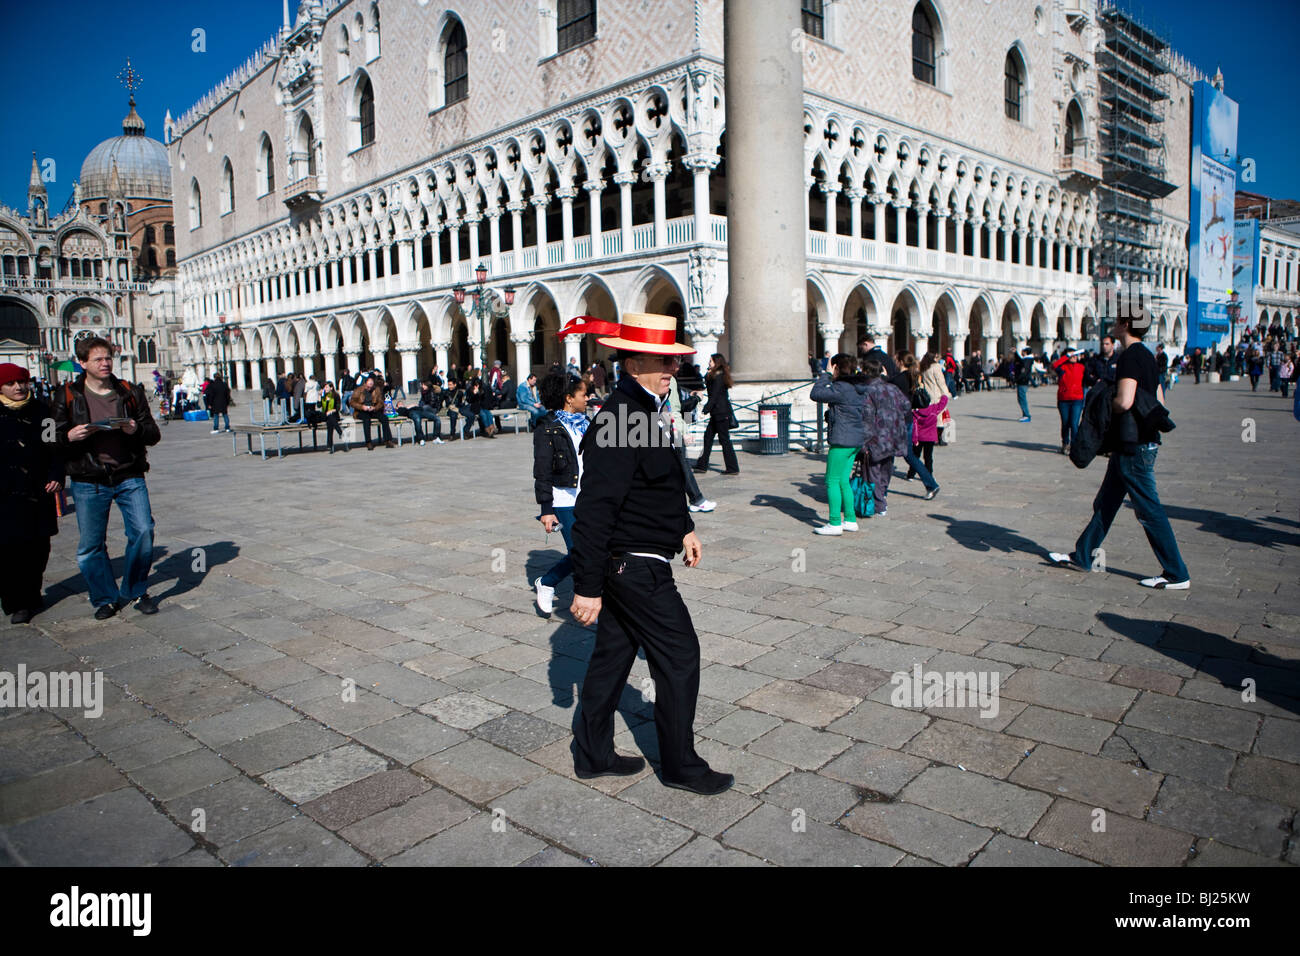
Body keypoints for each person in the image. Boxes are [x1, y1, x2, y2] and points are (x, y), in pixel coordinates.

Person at [567, 312, 733, 796]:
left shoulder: (642, 410)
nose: (672, 370)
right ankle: (680, 764)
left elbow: (656, 485)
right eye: (663, 361)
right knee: (680, 656)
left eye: (673, 361)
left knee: (612, 658)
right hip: (633, 565)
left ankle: (593, 754)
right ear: (633, 360)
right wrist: (587, 587)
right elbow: (595, 509)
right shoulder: (621, 417)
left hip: (639, 557)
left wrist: (684, 527)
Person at [1050, 314, 1188, 589]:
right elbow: (1160, 400)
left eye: (1117, 320)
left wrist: (1104, 404)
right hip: (1143, 442)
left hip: (1132, 445)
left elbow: (1124, 401)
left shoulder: (1129, 357)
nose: (1113, 324)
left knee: (1149, 510)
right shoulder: (1148, 356)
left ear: (1125, 325)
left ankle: (1176, 573)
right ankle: (1082, 556)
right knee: (1107, 503)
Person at [53, 336, 162, 619]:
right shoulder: (66, 394)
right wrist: (68, 436)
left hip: (129, 475)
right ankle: (105, 597)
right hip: (88, 479)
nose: (105, 363)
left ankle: (136, 591)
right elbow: (48, 436)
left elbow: (153, 434)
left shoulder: (129, 392)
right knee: (91, 545)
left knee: (143, 532)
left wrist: (135, 429)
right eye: (98, 359)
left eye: (108, 358)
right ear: (82, 363)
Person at [0, 364, 64, 623]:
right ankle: (16, 602)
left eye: (22, 382)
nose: (18, 387)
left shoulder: (42, 411)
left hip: (38, 490)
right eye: (11, 383)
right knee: (8, 549)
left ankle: (32, 591)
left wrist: (57, 475)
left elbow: (53, 447)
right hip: (4, 492)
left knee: (39, 546)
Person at [532, 374, 590, 614]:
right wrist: (546, 509)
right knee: (580, 552)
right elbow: (542, 470)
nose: (587, 398)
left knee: (594, 550)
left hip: (589, 496)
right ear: (568, 398)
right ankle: (547, 583)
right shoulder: (547, 427)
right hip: (564, 499)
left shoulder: (587, 423)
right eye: (583, 394)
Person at [810, 354, 869, 535]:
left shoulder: (841, 387)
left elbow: (816, 394)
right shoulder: (859, 387)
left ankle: (835, 522)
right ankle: (850, 520)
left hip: (842, 440)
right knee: (844, 481)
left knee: (832, 481)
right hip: (855, 440)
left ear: (836, 367)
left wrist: (825, 374)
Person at [860, 358, 912, 517]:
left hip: (876, 437)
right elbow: (906, 406)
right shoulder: (893, 388)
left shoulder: (868, 391)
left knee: (873, 470)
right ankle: (881, 496)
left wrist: (864, 442)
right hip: (894, 435)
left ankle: (879, 503)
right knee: (886, 468)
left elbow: (867, 418)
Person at [894, 353, 940, 498]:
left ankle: (931, 484)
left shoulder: (898, 379)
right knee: (909, 455)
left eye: (896, 359)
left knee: (892, 454)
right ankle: (931, 484)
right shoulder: (912, 376)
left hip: (898, 421)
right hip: (908, 419)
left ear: (901, 362)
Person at [693, 353, 739, 476]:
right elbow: (708, 385)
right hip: (717, 413)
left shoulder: (719, 377)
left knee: (724, 440)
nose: (709, 363)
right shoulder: (715, 375)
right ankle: (702, 465)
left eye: (711, 361)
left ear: (716, 363)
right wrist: (708, 373)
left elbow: (714, 397)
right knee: (708, 437)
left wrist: (705, 410)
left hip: (721, 413)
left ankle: (732, 467)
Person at [1052, 348, 1086, 455]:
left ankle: (1074, 445)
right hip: (1064, 400)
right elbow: (1054, 365)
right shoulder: (1062, 368)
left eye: (1075, 355)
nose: (1074, 357)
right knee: (1066, 423)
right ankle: (1065, 443)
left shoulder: (1081, 367)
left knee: (1074, 423)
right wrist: (1066, 356)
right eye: (1072, 355)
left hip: (1077, 399)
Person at [349, 373, 395, 449]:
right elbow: (352, 402)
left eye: (371, 384)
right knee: (366, 420)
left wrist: (375, 408)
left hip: (372, 409)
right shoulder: (359, 390)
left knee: (384, 418)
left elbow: (381, 402)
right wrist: (362, 407)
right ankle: (368, 442)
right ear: (365, 383)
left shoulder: (376, 390)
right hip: (361, 411)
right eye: (368, 384)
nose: (370, 385)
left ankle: (388, 440)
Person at [319, 381, 348, 453]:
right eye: (324, 387)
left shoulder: (335, 395)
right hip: (325, 415)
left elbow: (338, 407)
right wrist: (319, 397)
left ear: (331, 388)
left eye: (326, 387)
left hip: (333, 414)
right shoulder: (323, 395)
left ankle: (330, 446)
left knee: (330, 424)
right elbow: (319, 406)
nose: (325, 389)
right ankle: (340, 432)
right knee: (330, 419)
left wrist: (332, 410)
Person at [1014, 347, 1033, 422]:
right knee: (1021, 399)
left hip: (1022, 381)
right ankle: (1025, 415)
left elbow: (1024, 371)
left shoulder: (1027, 360)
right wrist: (1015, 353)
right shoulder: (1026, 360)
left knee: (1022, 399)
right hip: (1022, 381)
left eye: (1022, 351)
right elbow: (1020, 360)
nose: (1021, 353)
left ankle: (1026, 415)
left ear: (1025, 352)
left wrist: (1017, 379)